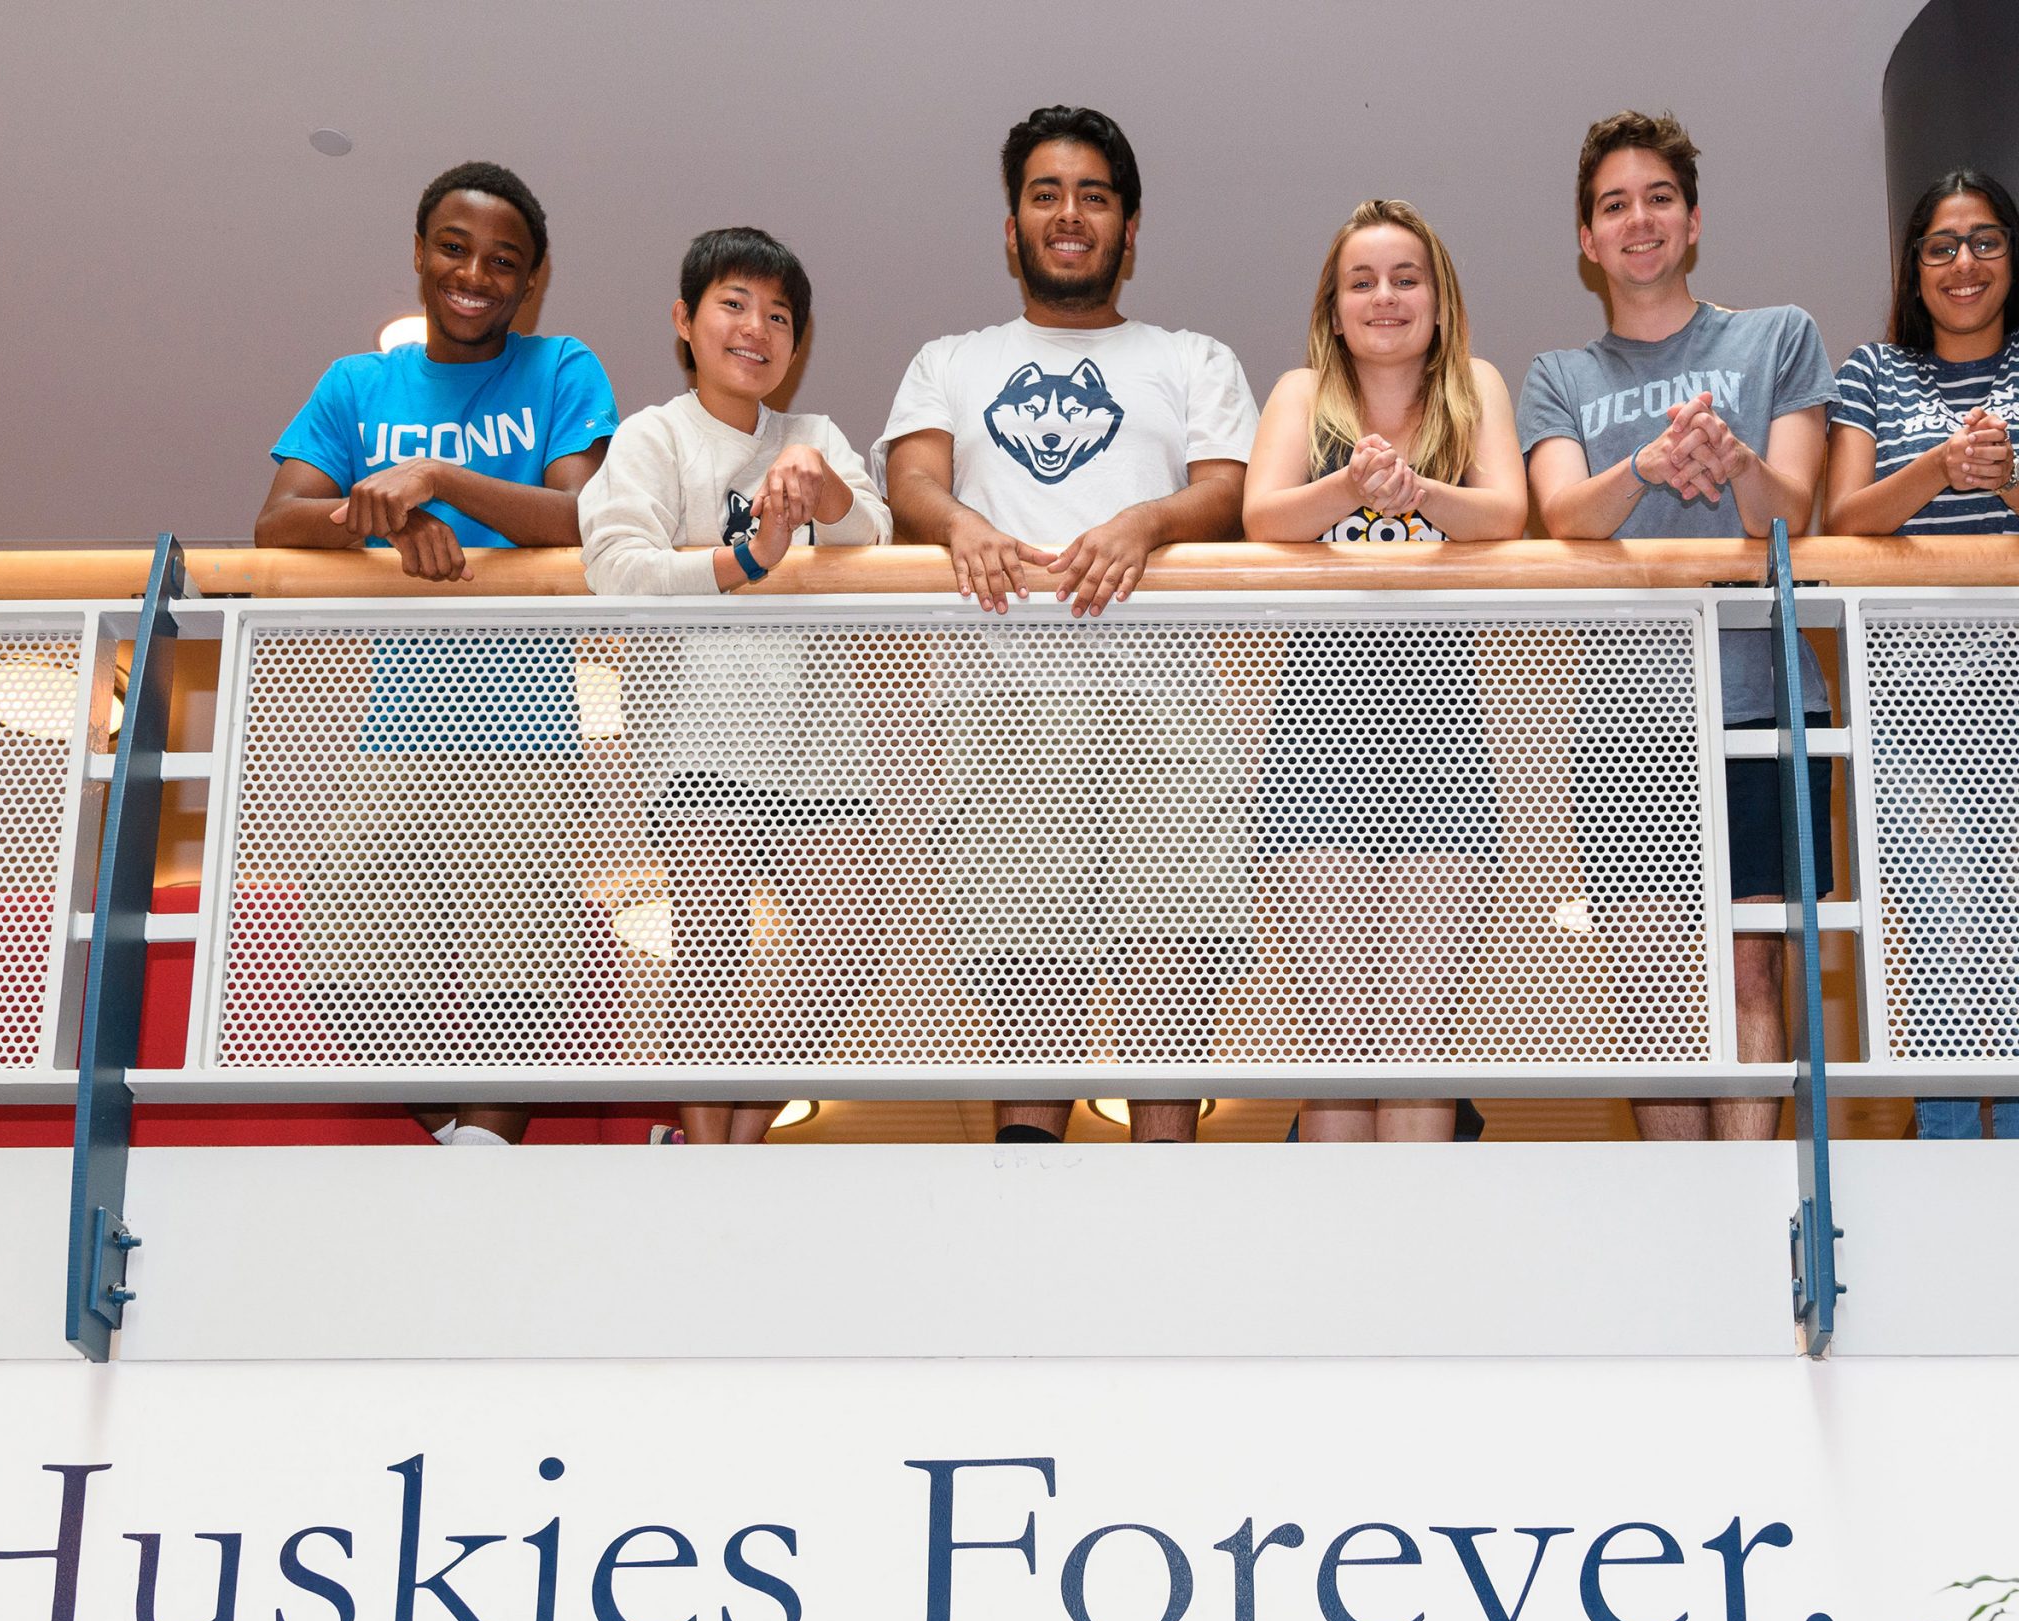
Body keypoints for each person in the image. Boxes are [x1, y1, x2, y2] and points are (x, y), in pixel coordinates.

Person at [875, 104, 1259, 1143]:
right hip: (1002, 707)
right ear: (1012, 228)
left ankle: (1165, 1203)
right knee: (1024, 984)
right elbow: (909, 475)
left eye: (1094, 195)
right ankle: (1026, 1214)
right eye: (1045, 194)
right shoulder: (949, 359)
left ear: (1129, 230)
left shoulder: (1194, 359)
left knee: (1172, 975)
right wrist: (960, 522)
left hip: (1167, 707)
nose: (1069, 213)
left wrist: (1146, 520)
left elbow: (1228, 492)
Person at [254, 161, 616, 1146]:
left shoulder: (559, 369)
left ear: (531, 281)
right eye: (453, 248)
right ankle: (463, 1148)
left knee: (523, 984)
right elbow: (276, 522)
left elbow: (585, 516)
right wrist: (378, 520)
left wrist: (439, 477)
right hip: (395, 732)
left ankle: (479, 1157)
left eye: (504, 262)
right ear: (418, 254)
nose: (475, 274)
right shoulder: (358, 381)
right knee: (350, 972)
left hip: (528, 734)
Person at [1519, 111, 1836, 1143]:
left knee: (1748, 960)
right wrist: (1651, 463)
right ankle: (1683, 1225)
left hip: (1759, 697)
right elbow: (1565, 517)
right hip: (1622, 715)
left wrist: (1735, 460)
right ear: (1586, 240)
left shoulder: (1777, 334)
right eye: (1614, 205)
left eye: (1657, 198)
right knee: (1650, 985)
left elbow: (1795, 516)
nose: (1638, 220)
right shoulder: (1557, 378)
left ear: (1692, 220)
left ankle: (1749, 1222)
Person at [580, 227, 891, 1144]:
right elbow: (616, 566)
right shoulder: (653, 435)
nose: (757, 327)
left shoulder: (816, 434)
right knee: (710, 963)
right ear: (684, 320)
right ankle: (706, 1155)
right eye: (734, 304)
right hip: (699, 743)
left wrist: (822, 492)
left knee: (848, 951)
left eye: (781, 315)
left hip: (829, 751)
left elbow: (875, 534)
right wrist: (739, 560)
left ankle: (742, 1144)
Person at [1825, 170, 2019, 1141]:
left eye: (1984, 241)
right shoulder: (1871, 368)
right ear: (1913, 270)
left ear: (2013, 255)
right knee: (1944, 943)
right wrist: (1940, 467)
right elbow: (1843, 519)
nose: (1963, 263)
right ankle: (1946, 1157)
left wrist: (2015, 477)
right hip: (1907, 705)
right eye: (1941, 246)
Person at [1241, 199, 1527, 1141]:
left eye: (1407, 278)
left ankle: (1417, 1262)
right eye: (1361, 281)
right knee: (1331, 1040)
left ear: (1439, 300)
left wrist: (1416, 491)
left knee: (1420, 1031)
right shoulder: (1298, 392)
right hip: (1313, 730)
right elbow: (1262, 517)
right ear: (1332, 309)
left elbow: (1509, 515)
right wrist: (1351, 488)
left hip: (1439, 729)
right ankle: (1338, 1269)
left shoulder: (1475, 384)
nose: (1385, 296)